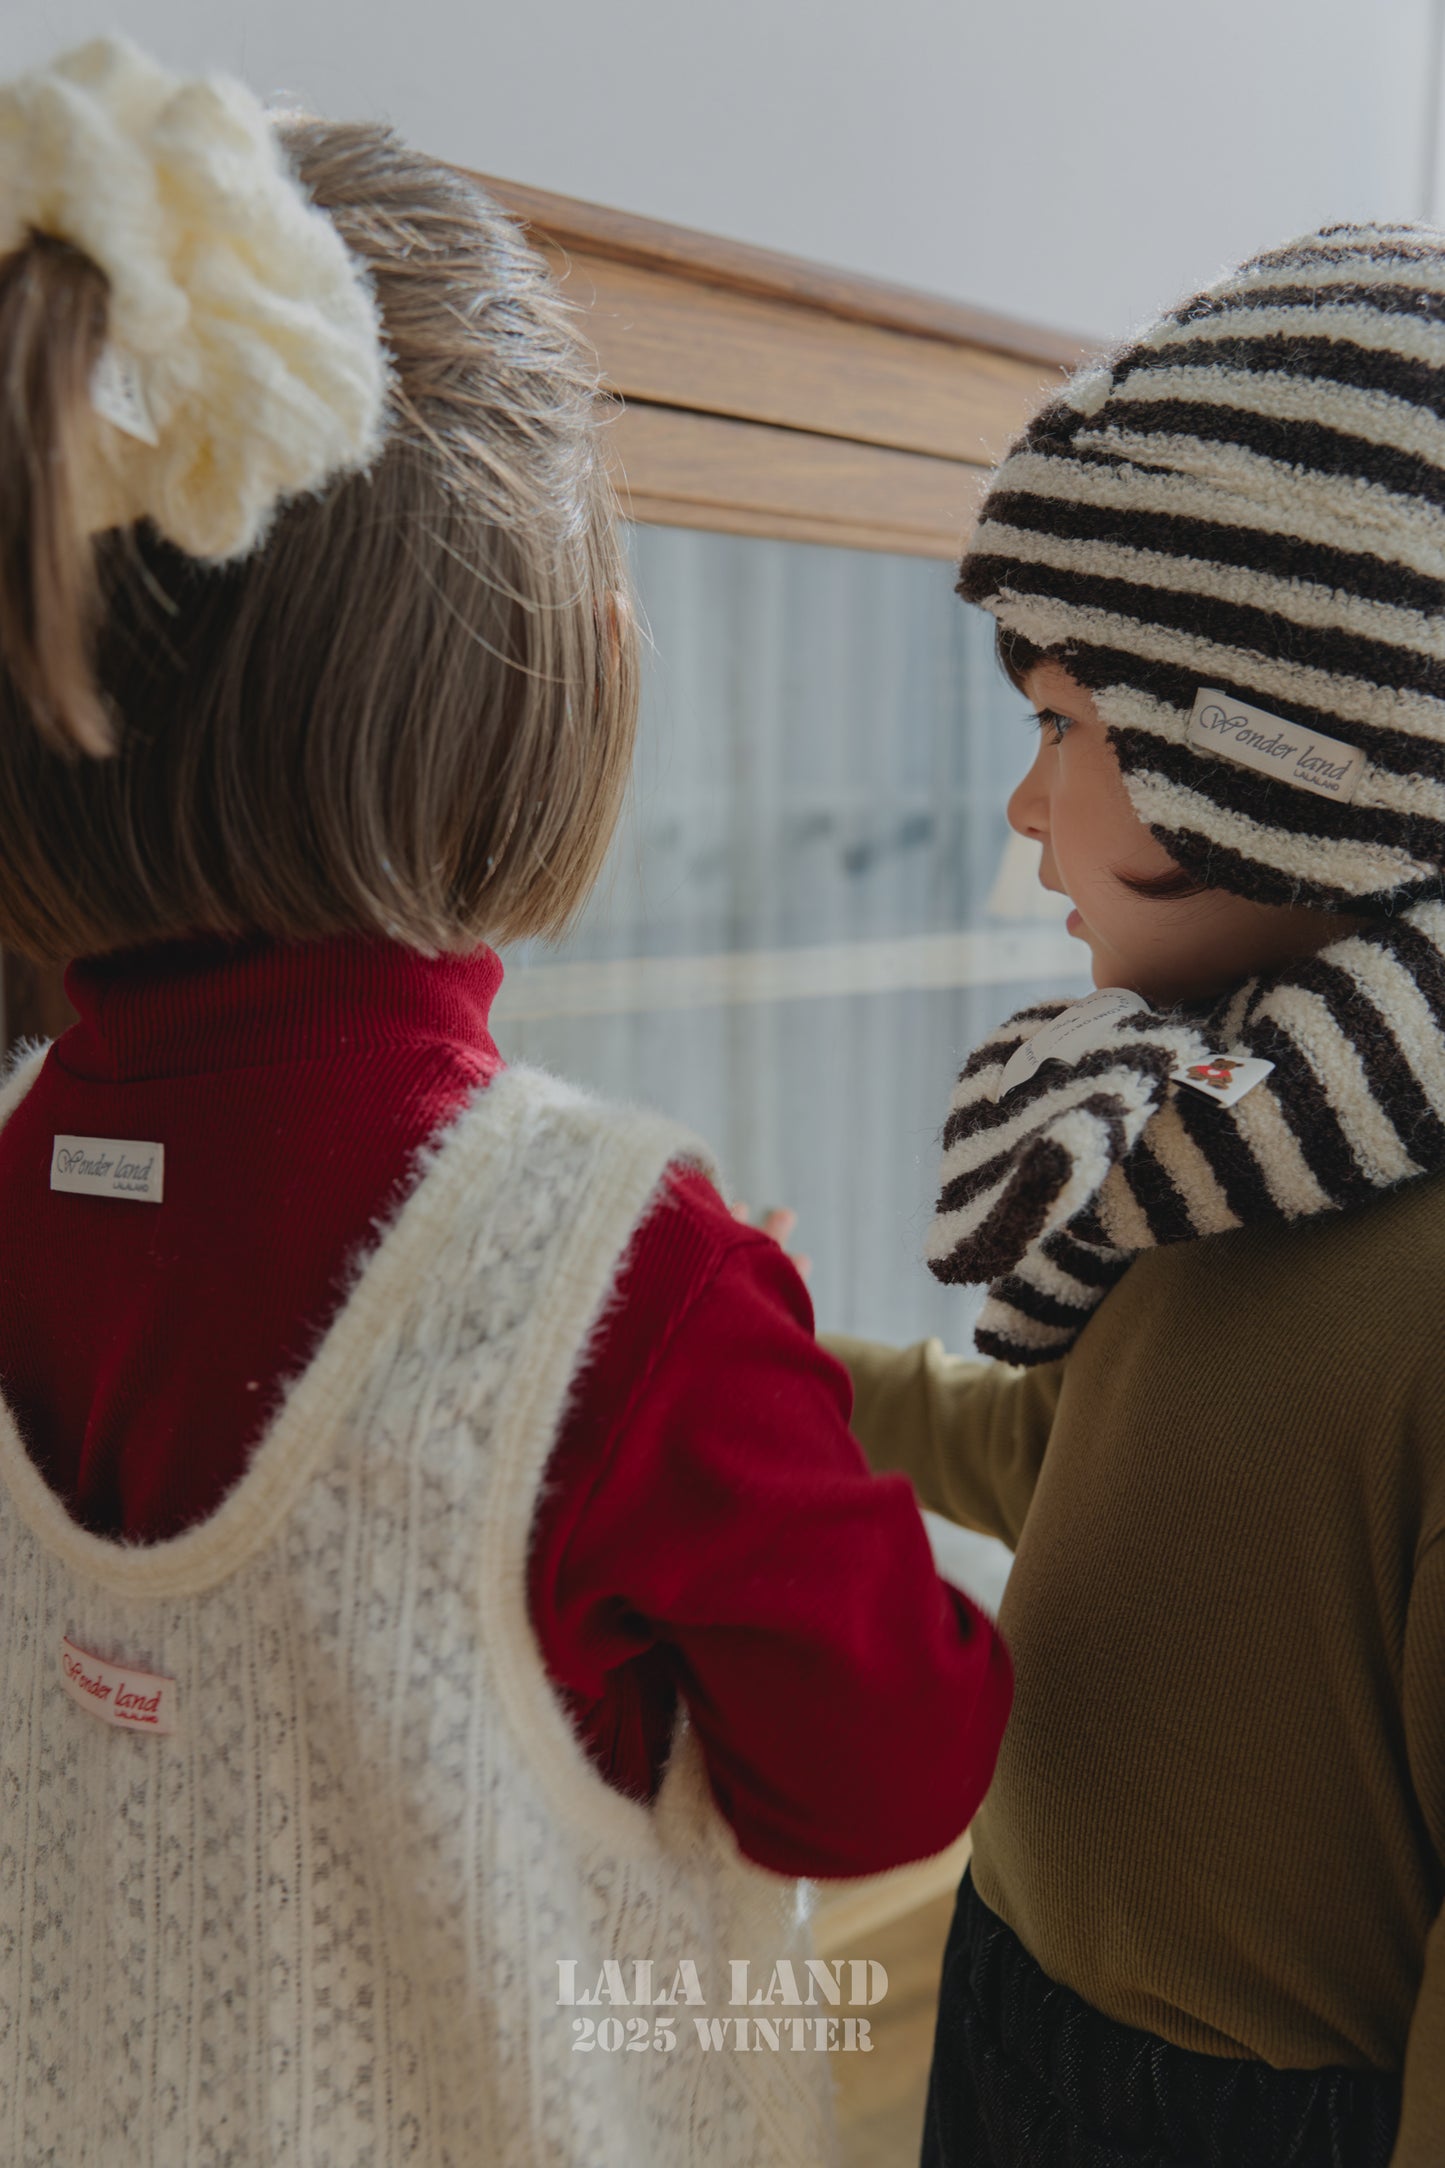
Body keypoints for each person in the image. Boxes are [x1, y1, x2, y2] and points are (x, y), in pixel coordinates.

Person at [0, 39, 1013, 2166]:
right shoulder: (620, 1276)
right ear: (533, 687)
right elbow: (895, 1762)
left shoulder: (25, 1170)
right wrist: (749, 1387)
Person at [827, 223, 1445, 2168]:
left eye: (1067, 729)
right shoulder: (1215, 1131)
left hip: (1253, 2113)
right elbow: (1064, 1453)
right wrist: (765, 1352)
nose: (1025, 805)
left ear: (1285, 755)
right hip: (1017, 1992)